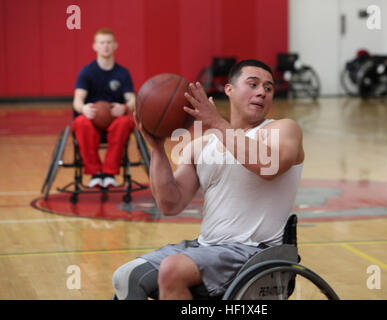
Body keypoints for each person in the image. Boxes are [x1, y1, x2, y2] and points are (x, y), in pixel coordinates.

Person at [112, 59, 305, 300]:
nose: (261, 92)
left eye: (268, 88)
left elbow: (268, 166)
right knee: (126, 276)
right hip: (206, 249)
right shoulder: (202, 145)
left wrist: (216, 123)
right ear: (229, 90)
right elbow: (170, 204)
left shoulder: (282, 130)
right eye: (253, 84)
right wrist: (157, 149)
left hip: (255, 253)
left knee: (173, 270)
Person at [72, 28, 136, 188]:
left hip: (114, 118)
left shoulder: (122, 73)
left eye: (108, 42)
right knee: (80, 123)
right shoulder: (87, 72)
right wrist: (84, 108)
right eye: (102, 42)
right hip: (92, 118)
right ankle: (95, 173)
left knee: (125, 122)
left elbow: (133, 99)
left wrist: (125, 107)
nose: (105, 46)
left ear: (115, 45)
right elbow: (77, 101)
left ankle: (109, 173)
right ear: (95, 46)